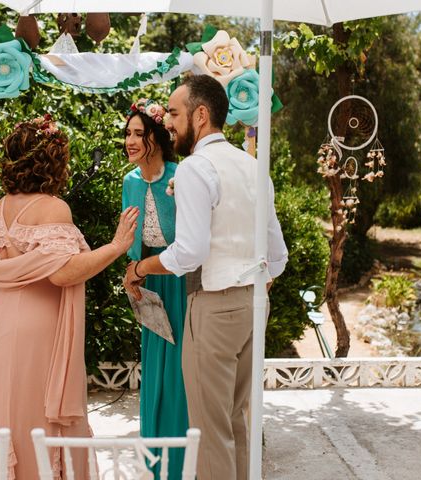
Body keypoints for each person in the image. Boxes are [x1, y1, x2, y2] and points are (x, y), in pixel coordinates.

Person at [123, 75, 288, 480]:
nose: (171, 124)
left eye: (176, 114)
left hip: (213, 307)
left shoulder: (198, 167)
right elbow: (278, 256)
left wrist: (142, 267)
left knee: (209, 430)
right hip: (254, 305)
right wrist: (252, 284)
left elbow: (189, 252)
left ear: (201, 114)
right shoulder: (253, 167)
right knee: (236, 420)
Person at [0, 114, 139, 480]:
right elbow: (62, 272)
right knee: (36, 418)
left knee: (3, 416)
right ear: (53, 161)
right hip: (36, 329)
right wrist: (117, 246)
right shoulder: (53, 207)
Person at [121, 99, 189, 478]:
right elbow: (130, 242)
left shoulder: (180, 176)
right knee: (156, 370)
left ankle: (183, 461)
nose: (130, 141)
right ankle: (155, 462)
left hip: (183, 281)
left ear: (157, 139)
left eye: (138, 134)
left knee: (181, 371)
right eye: (127, 134)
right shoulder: (128, 182)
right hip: (149, 285)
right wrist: (132, 275)